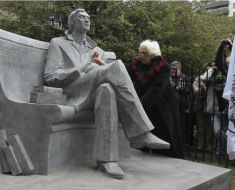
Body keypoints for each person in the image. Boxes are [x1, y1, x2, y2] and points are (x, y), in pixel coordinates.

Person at [43, 9, 169, 179]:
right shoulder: (57, 43)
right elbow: (50, 76)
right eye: (82, 17)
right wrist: (80, 70)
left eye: (88, 17)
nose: (87, 20)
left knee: (107, 90)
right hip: (72, 92)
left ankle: (107, 160)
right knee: (116, 66)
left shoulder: (98, 50)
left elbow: (115, 80)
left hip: (94, 93)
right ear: (72, 22)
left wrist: (98, 69)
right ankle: (140, 132)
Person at [125, 40, 184, 159]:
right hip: (147, 102)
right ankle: (144, 153)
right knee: (146, 131)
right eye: (140, 52)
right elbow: (123, 70)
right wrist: (104, 64)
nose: (141, 55)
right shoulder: (137, 65)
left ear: (152, 55)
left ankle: (171, 159)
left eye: (144, 53)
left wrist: (139, 107)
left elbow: (157, 89)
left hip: (164, 104)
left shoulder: (163, 67)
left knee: (165, 132)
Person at [170, 60, 193, 145]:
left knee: (181, 124)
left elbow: (187, 90)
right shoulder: (168, 78)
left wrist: (176, 87)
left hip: (181, 106)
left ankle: (181, 142)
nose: (172, 71)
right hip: (171, 105)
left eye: (174, 69)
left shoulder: (185, 78)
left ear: (179, 69)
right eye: (171, 69)